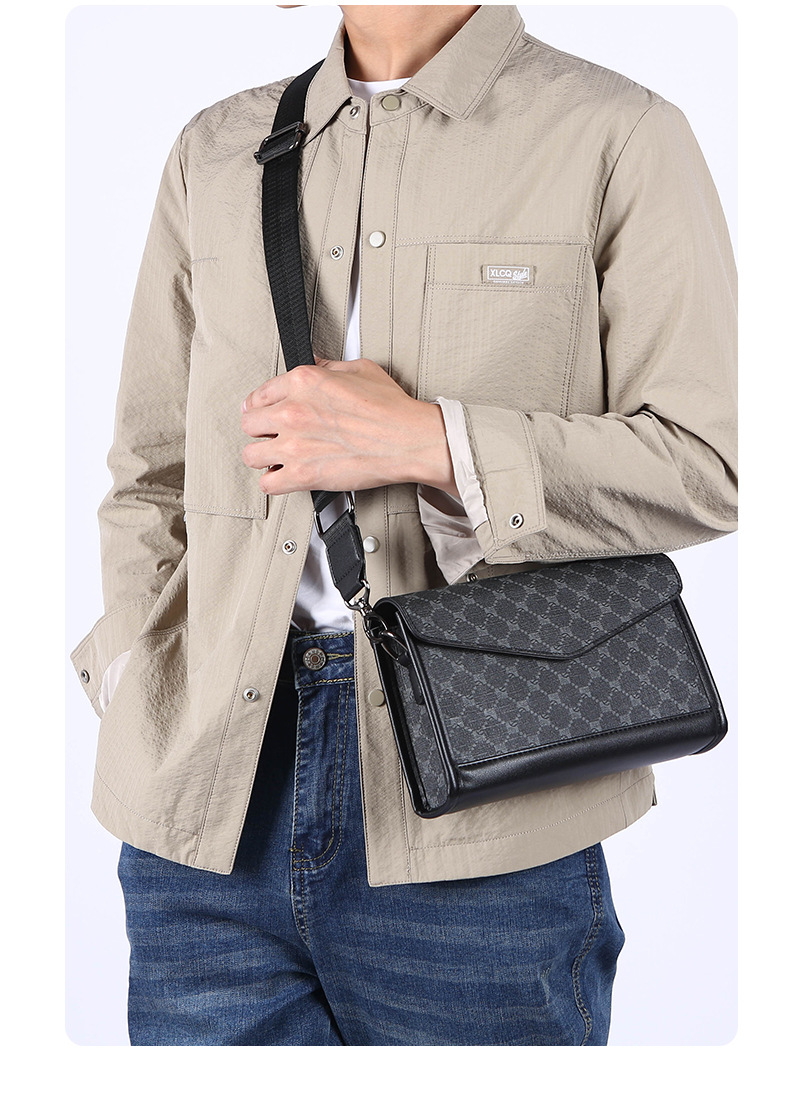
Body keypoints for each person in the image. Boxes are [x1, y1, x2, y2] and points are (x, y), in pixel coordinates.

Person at [70, 4, 737, 1046]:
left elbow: (707, 464)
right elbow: (150, 471)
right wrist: (136, 683)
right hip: (207, 813)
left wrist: (431, 439)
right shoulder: (217, 148)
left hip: (488, 813)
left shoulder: (618, 135)